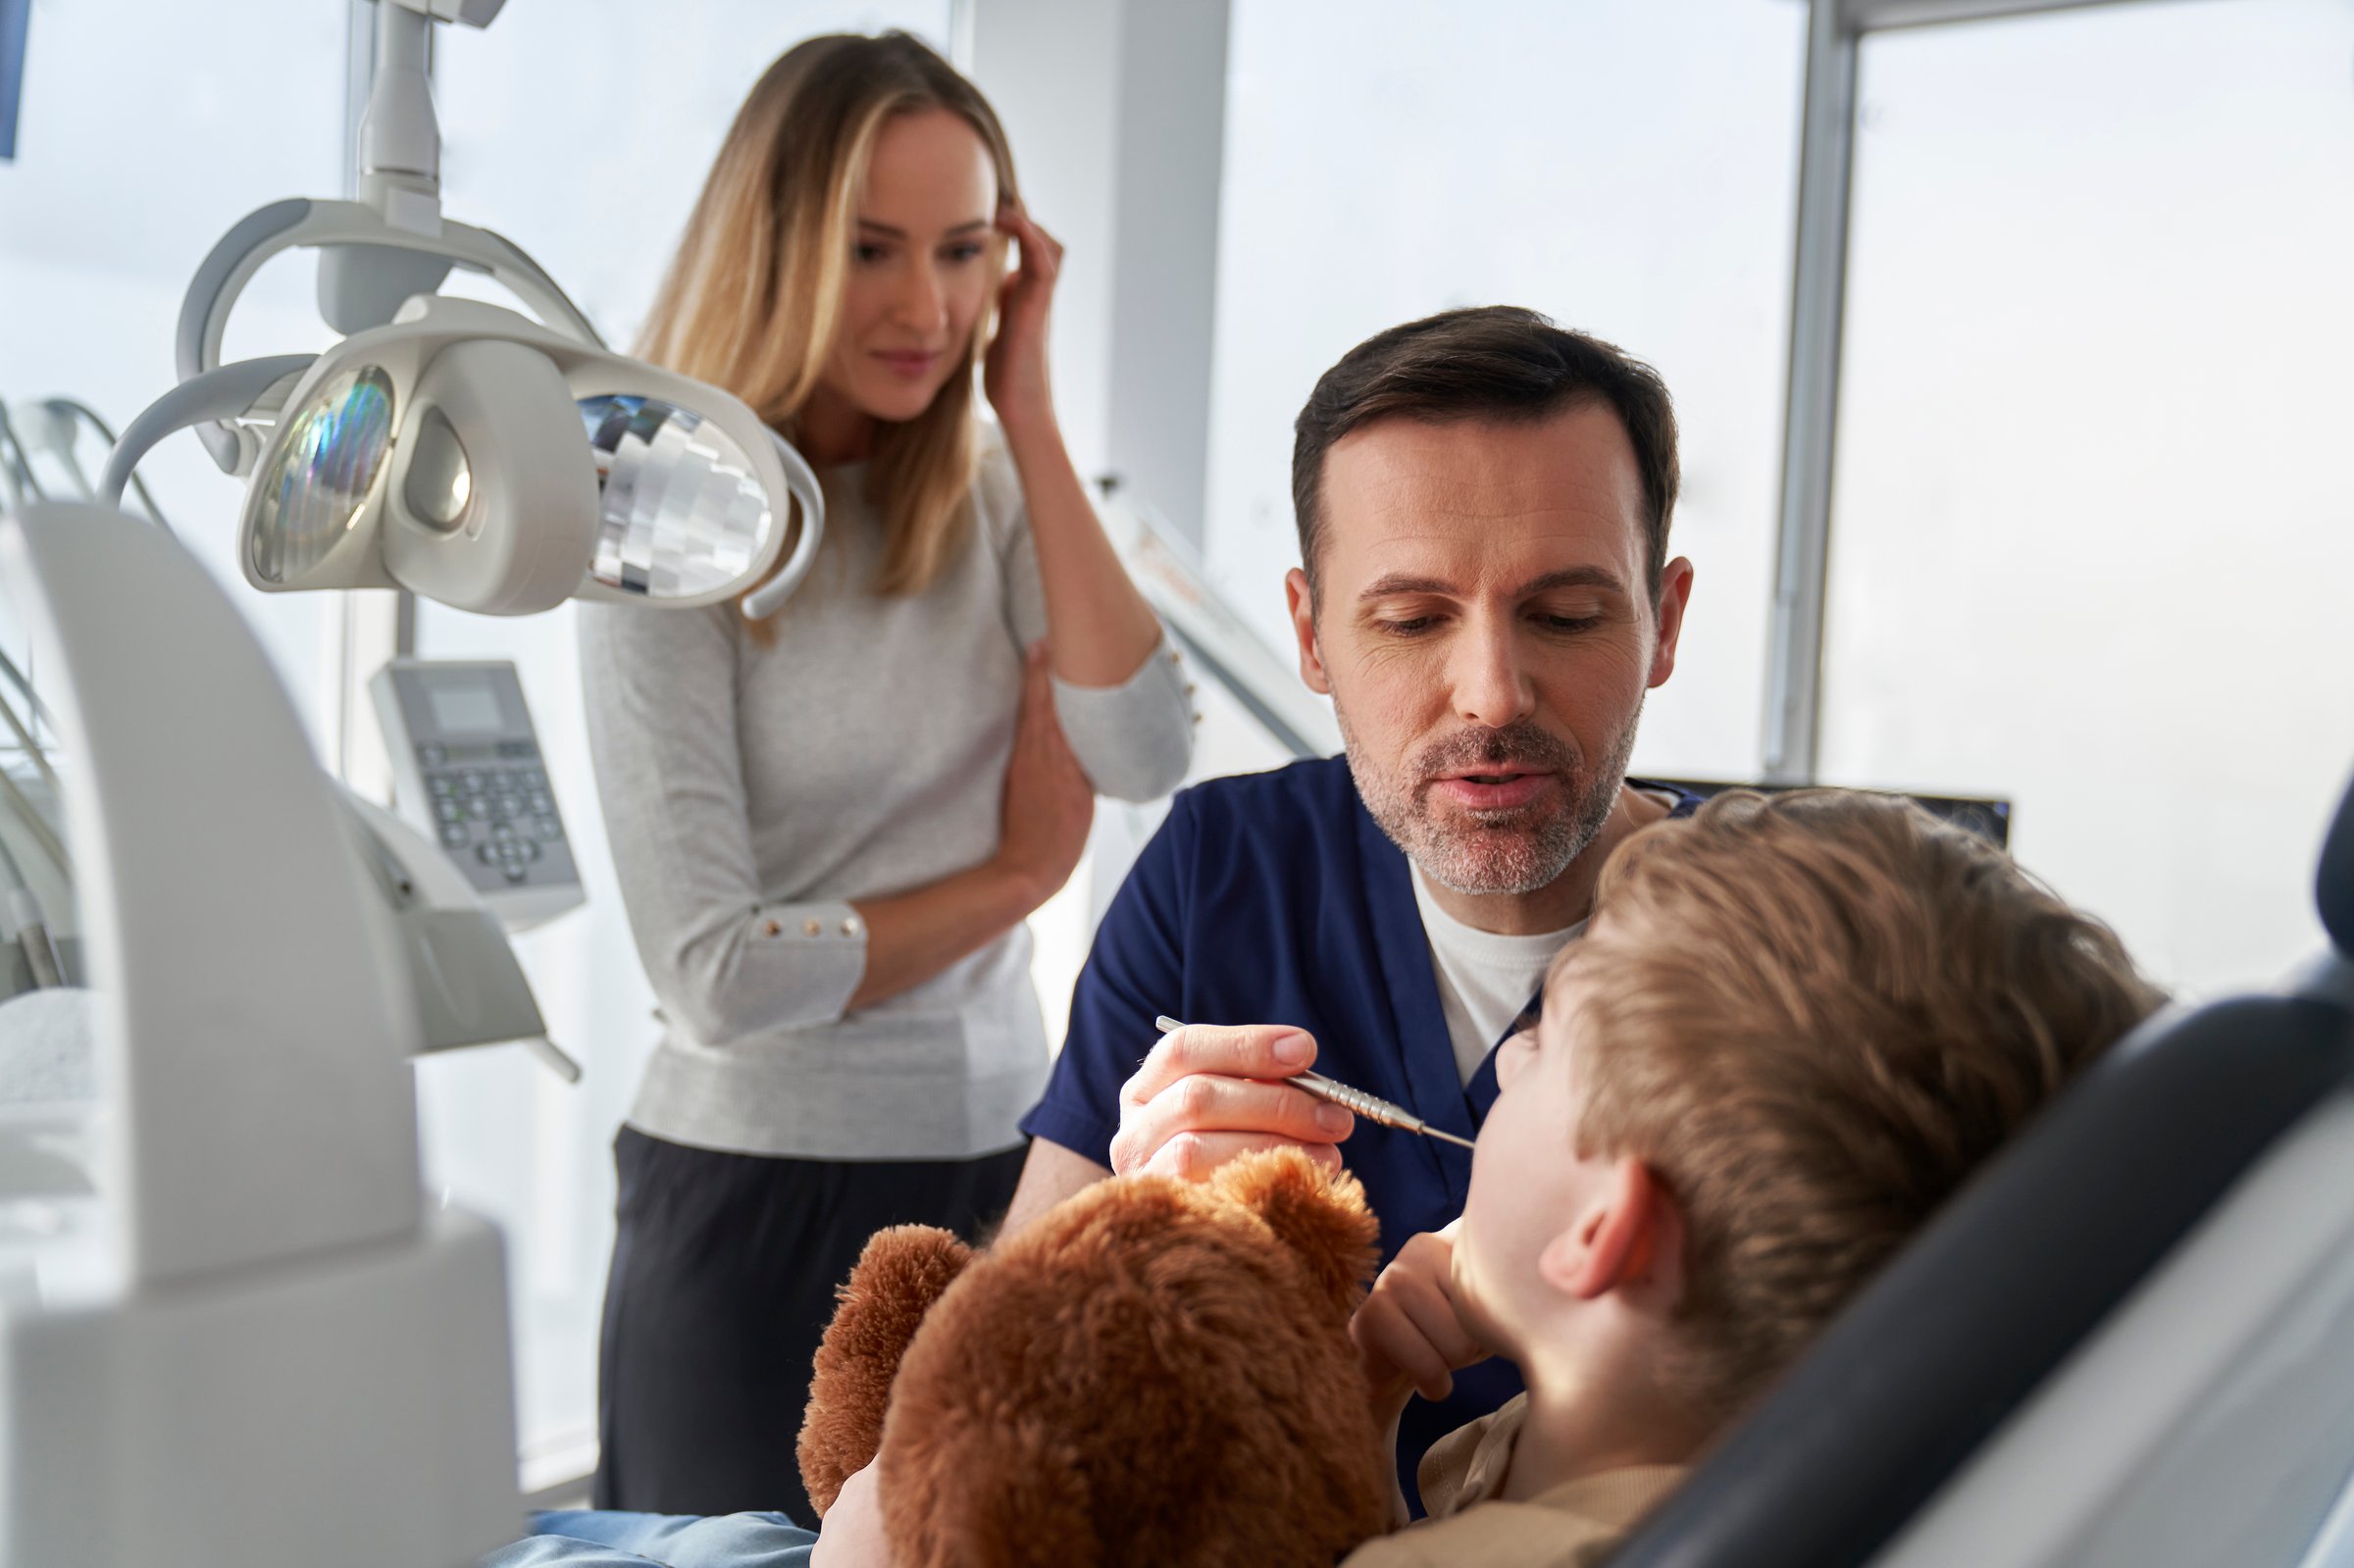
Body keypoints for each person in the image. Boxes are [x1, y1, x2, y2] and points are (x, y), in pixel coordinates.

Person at [578, 31, 1193, 1522]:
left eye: (964, 249)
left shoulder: (986, 492)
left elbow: (1145, 746)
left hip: (999, 1169)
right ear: (778, 246)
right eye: (870, 250)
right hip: (748, 1201)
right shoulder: (651, 517)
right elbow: (715, 970)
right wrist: (1015, 883)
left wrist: (1030, 411)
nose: (927, 306)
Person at [1002, 305, 1700, 1476]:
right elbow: (1002, 1369)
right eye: (1412, 621)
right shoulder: (1221, 874)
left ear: (1664, 622)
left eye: (1565, 614)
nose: (1489, 694)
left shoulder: (1796, 946)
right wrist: (1121, 1252)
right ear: (1312, 636)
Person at [1340, 788, 2165, 1564]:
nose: (1509, 1058)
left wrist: (1341, 1410)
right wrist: (1368, 1404)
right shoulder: (1660, 1475)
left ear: (1602, 1235)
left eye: (1548, 1041)